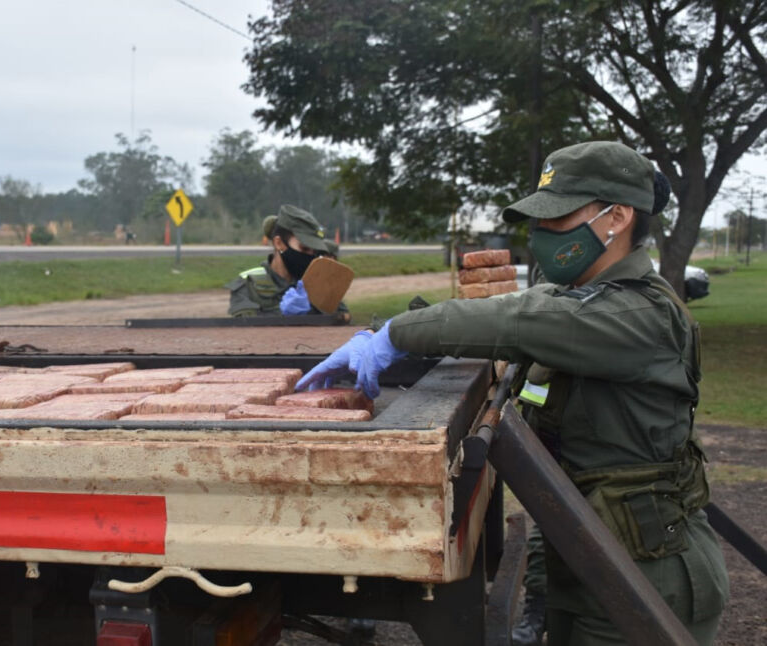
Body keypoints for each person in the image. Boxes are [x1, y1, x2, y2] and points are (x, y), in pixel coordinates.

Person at [297, 141, 728, 645]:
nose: (541, 234)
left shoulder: (640, 315)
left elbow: (516, 319)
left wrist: (397, 334)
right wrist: (380, 334)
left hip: (647, 575)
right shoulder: (577, 297)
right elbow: (511, 309)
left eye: (558, 218)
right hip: (592, 558)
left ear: (617, 218)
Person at [228, 204, 342, 317]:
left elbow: (341, 319)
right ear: (279, 243)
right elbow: (244, 329)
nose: (310, 256)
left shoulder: (319, 285)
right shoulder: (248, 286)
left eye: (314, 252)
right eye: (304, 248)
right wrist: (283, 316)